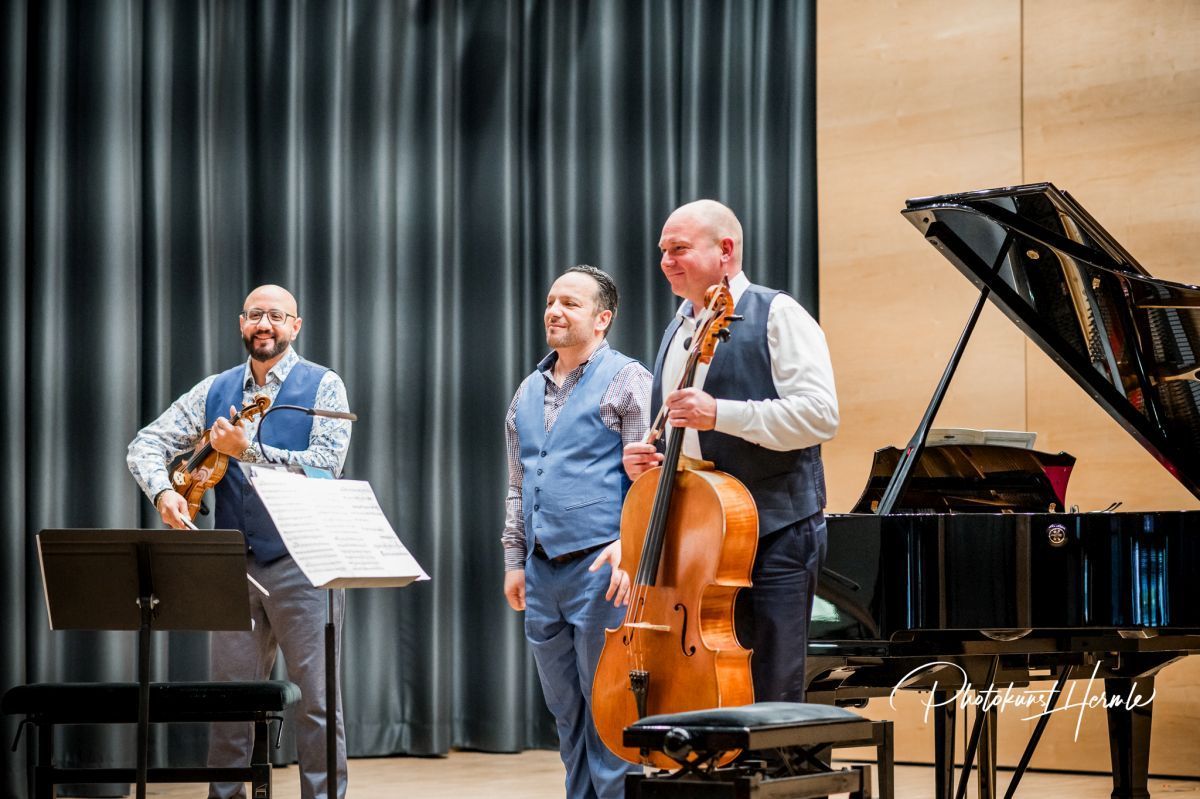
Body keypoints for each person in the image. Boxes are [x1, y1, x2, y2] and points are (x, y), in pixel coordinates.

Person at [127, 284, 351, 799]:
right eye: (254, 315)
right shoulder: (215, 390)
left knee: (317, 702)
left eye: (276, 315)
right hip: (233, 565)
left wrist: (246, 450)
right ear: (241, 324)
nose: (264, 324)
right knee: (229, 703)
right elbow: (146, 444)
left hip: (304, 562)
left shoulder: (324, 386)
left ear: (295, 326)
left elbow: (326, 467)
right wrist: (163, 491)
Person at [622, 200, 839, 703]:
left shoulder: (778, 314)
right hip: (701, 540)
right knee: (715, 682)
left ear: (725, 250)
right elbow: (687, 433)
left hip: (775, 533)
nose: (666, 261)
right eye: (662, 251)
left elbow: (820, 416)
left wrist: (720, 413)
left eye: (679, 249)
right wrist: (652, 461)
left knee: (773, 683)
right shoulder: (679, 327)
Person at [501, 265, 650, 799]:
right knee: (566, 713)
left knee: (611, 708)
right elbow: (518, 486)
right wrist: (514, 561)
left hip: (602, 569)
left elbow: (650, 481)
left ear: (602, 318)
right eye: (551, 301)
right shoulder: (526, 390)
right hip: (542, 573)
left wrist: (633, 548)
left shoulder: (628, 380)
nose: (554, 311)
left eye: (570, 303)